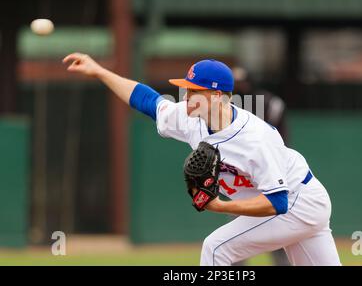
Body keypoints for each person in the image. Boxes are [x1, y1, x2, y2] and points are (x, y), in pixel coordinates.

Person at [63, 53, 341, 266]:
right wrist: (99, 71)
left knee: (216, 248)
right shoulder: (190, 118)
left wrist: (219, 206)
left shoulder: (256, 139)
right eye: (187, 89)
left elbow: (278, 202)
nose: (187, 96)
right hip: (301, 204)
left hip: (297, 203)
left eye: (195, 91)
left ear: (218, 97)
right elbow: (147, 101)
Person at [232, 67, 290, 266]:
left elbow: (280, 139)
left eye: (242, 82)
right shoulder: (229, 107)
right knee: (237, 235)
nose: (240, 87)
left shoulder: (267, 102)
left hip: (269, 176)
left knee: (276, 230)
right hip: (243, 179)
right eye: (236, 83)